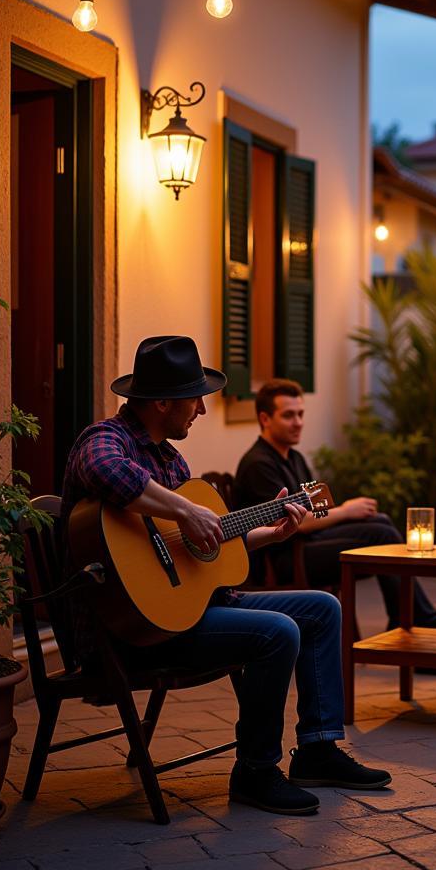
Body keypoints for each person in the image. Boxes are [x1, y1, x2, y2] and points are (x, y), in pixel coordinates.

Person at [60, 336, 391, 816]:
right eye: (195, 397)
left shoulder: (172, 461)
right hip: (129, 630)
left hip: (184, 611)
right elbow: (106, 471)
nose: (200, 409)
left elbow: (204, 550)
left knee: (322, 608)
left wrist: (270, 534)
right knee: (277, 632)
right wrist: (186, 509)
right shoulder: (104, 439)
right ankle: (256, 769)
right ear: (161, 402)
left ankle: (318, 748)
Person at [233, 378, 436, 633]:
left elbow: (317, 508)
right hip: (283, 559)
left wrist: (344, 513)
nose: (298, 422)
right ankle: (415, 619)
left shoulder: (294, 457)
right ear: (265, 419)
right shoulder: (259, 464)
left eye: (301, 414)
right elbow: (293, 524)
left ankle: (408, 617)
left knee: (379, 522)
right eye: (289, 415)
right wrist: (346, 510)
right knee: (382, 534)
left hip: (308, 544)